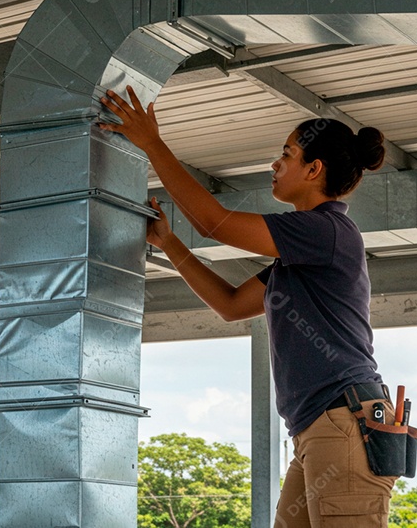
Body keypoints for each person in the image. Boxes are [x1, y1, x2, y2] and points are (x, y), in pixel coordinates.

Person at [99, 85, 397, 527]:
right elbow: (232, 304)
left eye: (287, 154)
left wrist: (152, 144)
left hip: (344, 421)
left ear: (314, 169)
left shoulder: (326, 231)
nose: (275, 164)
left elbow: (215, 223)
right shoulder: (301, 253)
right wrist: (169, 242)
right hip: (320, 427)